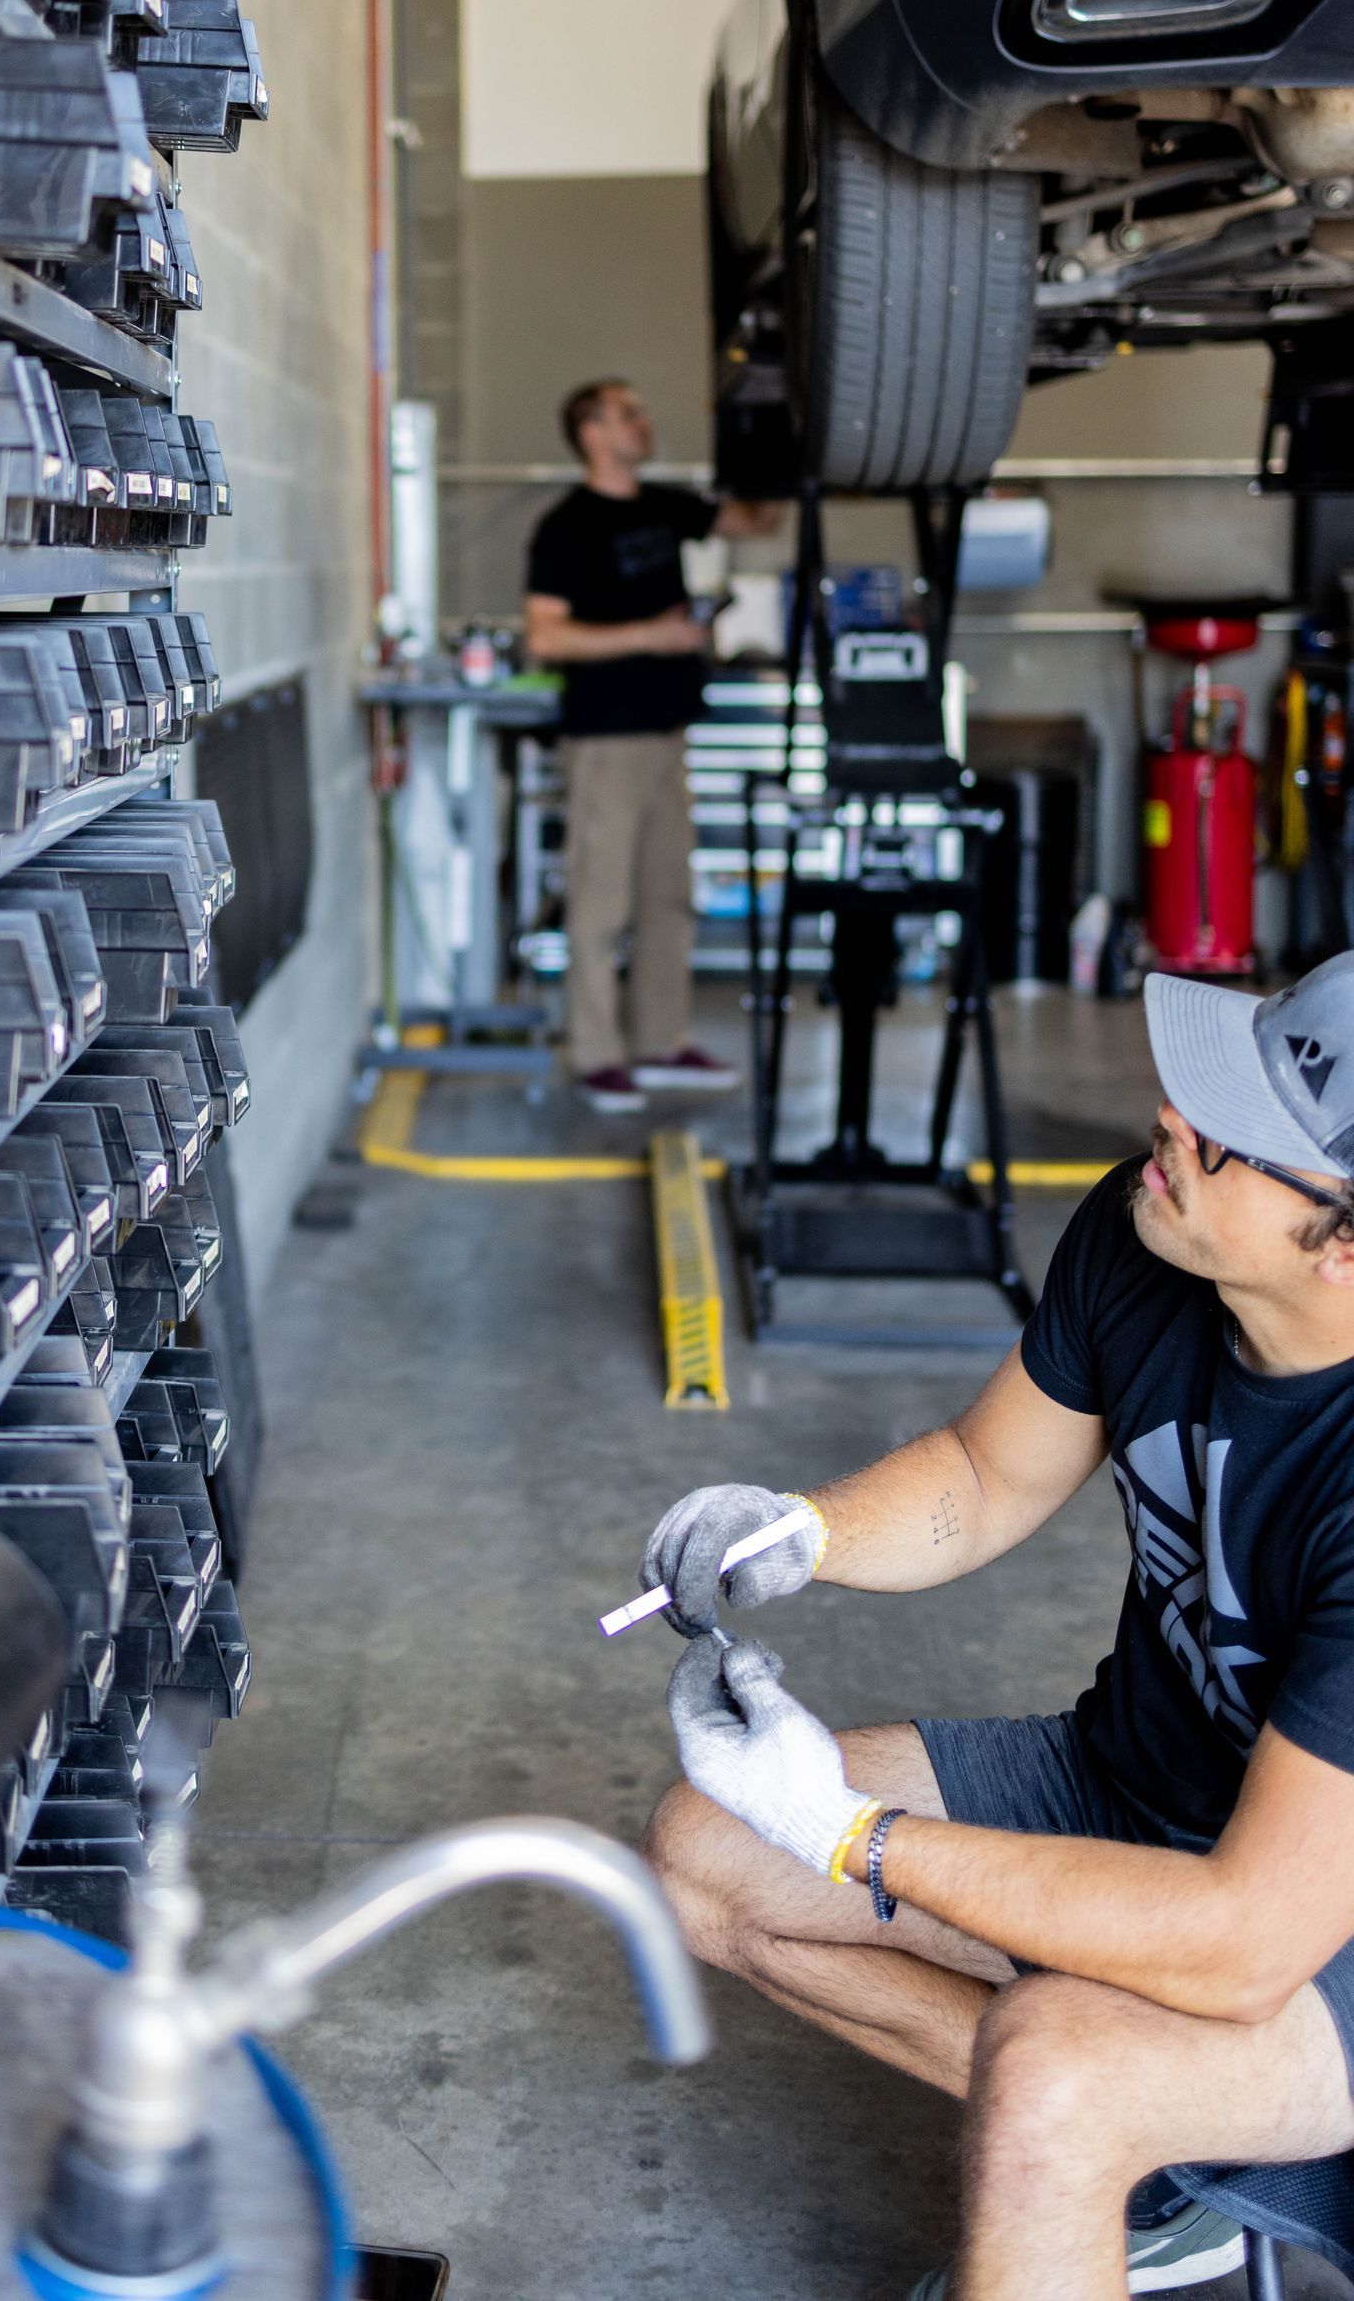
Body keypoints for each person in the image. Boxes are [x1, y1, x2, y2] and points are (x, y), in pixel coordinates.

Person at [641, 951, 1354, 2301]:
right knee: (708, 1853)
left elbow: (1250, 1928)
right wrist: (799, 1531)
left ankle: (1110, 2130)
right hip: (1136, 1781)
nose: (1169, 1125)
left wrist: (856, 1833)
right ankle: (1157, 2174)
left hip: (1318, 1926)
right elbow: (983, 1476)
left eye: (1226, 1135)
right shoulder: (1153, 1233)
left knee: (1056, 2074)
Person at [523, 378, 740, 1114]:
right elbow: (545, 635)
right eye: (627, 413)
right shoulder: (566, 527)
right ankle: (595, 1053)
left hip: (668, 735)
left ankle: (661, 1041)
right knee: (601, 901)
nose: (644, 423)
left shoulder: (670, 507)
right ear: (590, 431)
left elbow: (756, 518)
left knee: (667, 899)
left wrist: (772, 443)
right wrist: (653, 634)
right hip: (605, 742)